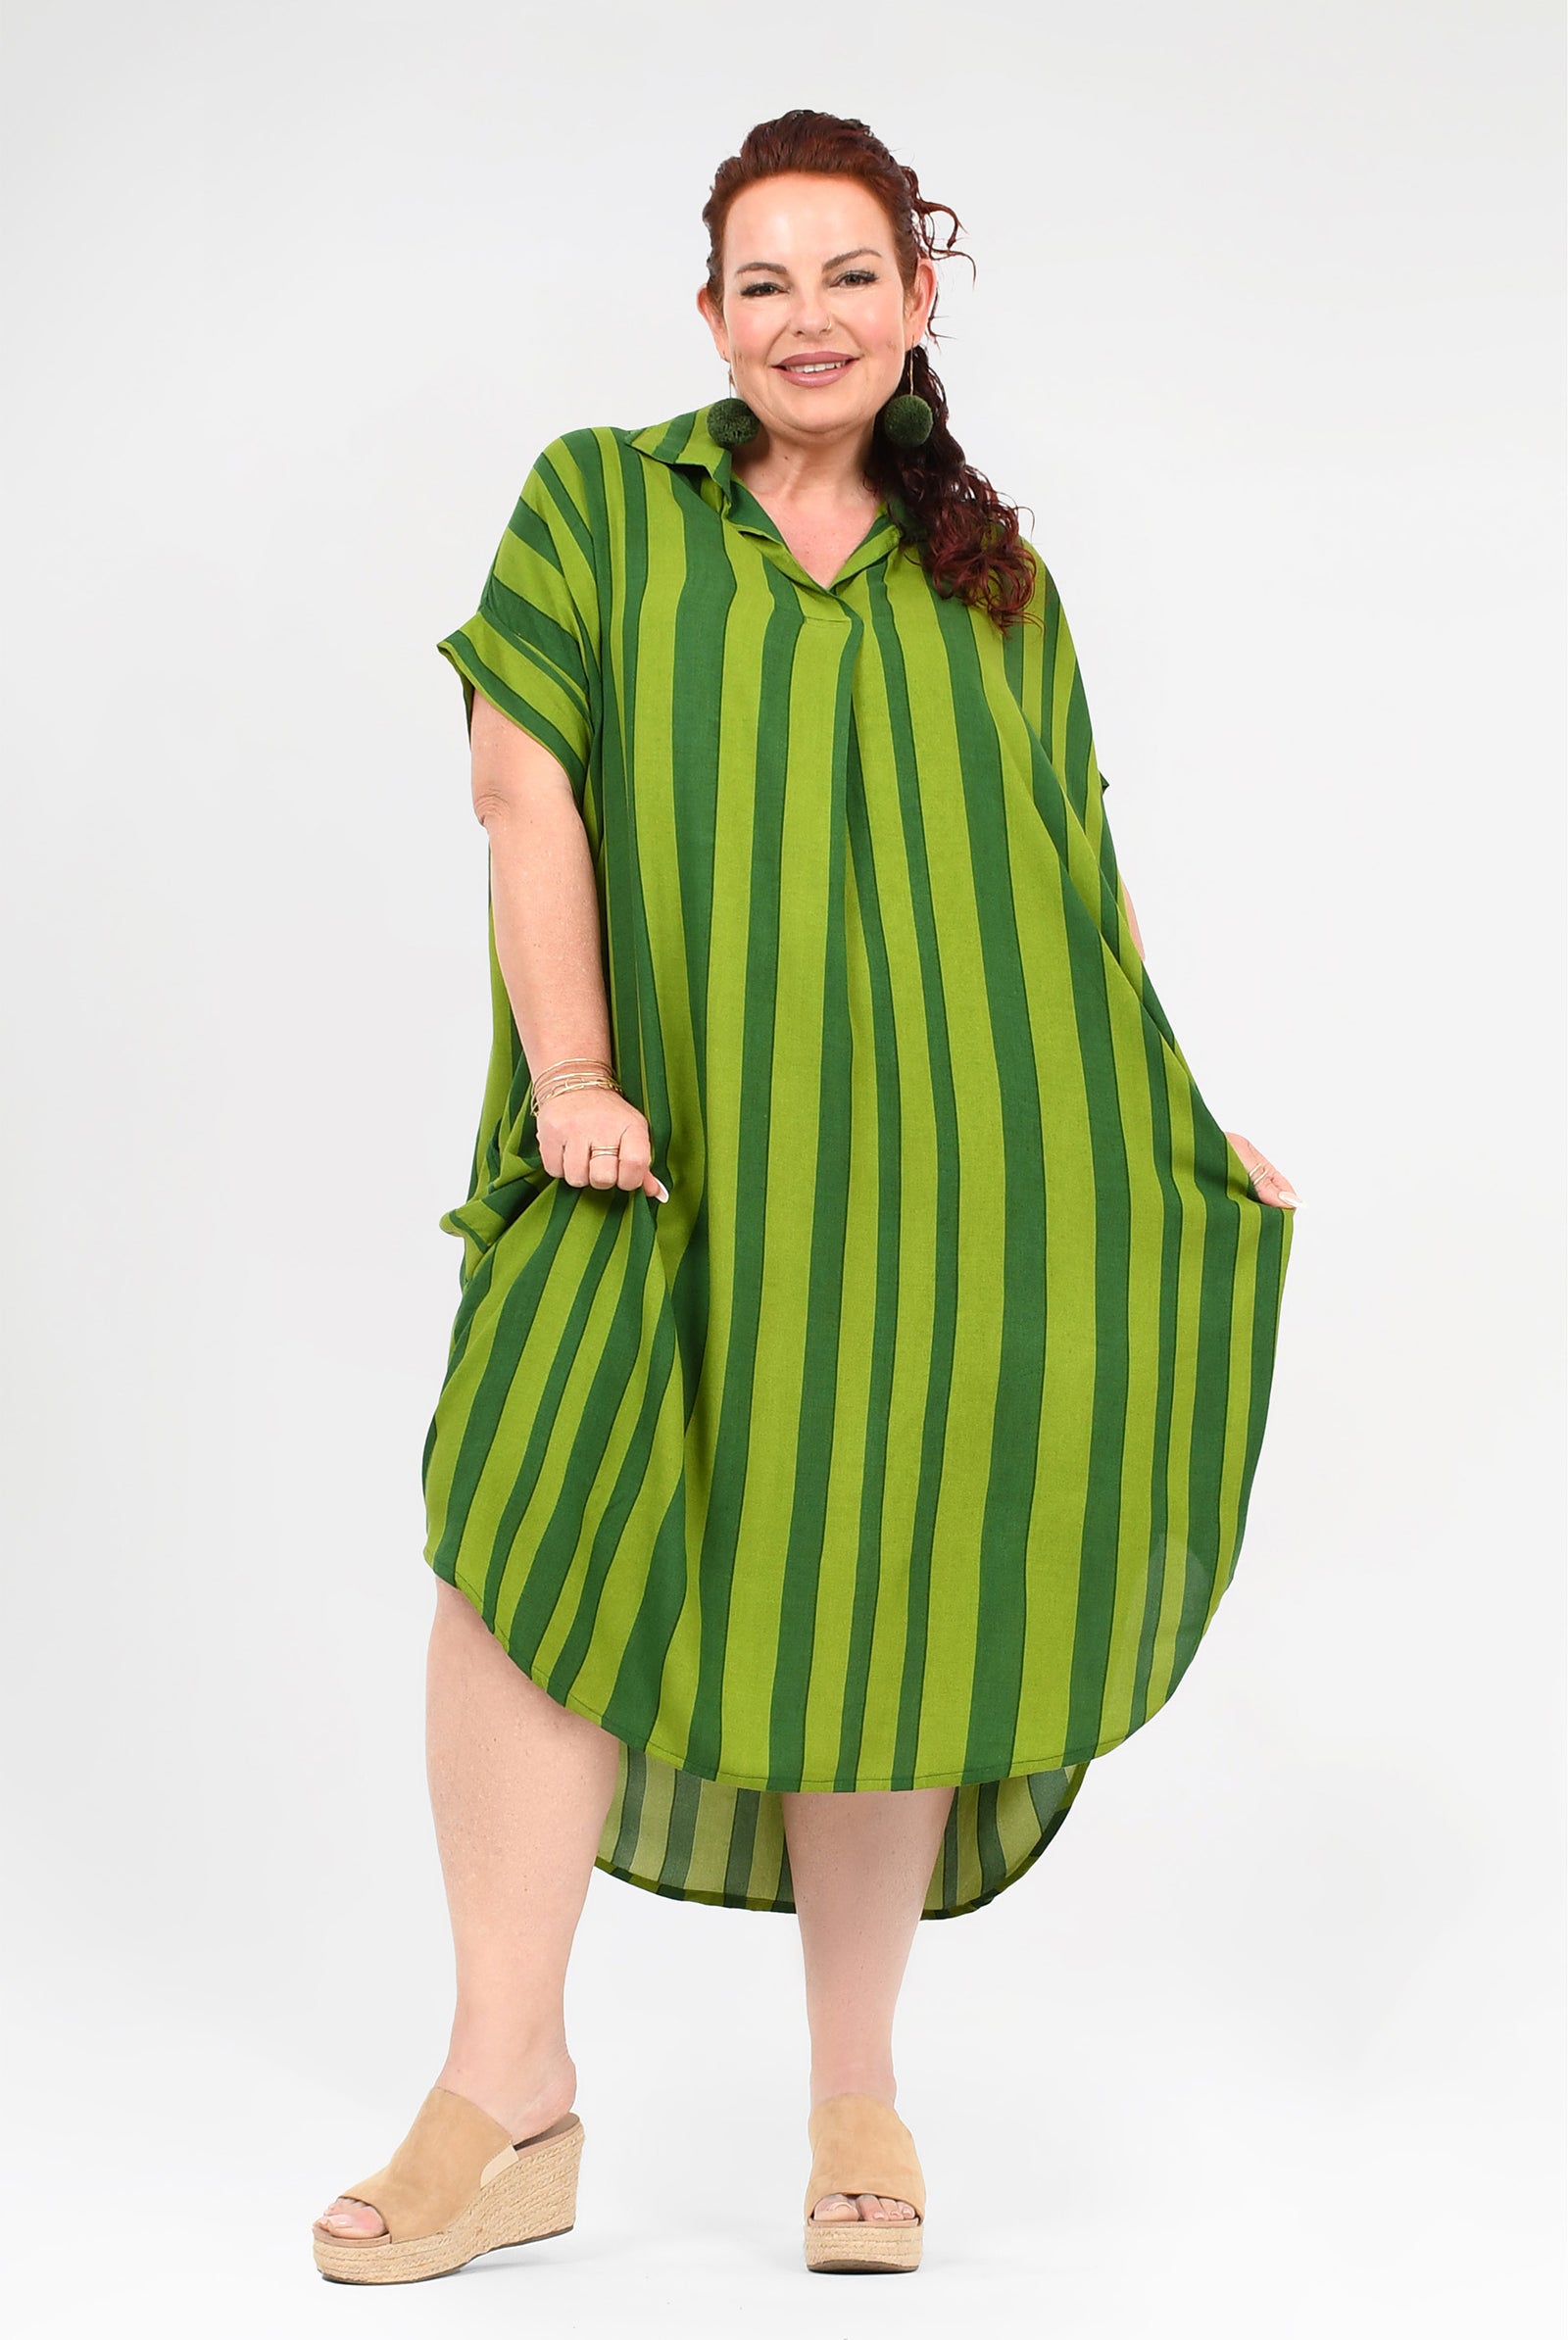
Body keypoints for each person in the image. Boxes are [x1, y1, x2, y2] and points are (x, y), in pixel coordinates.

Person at [312, 107, 1298, 2285]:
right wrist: (572, 1074)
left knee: (882, 1582)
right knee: (523, 1537)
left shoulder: (994, 588)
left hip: (935, 1171)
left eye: (849, 274)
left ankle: (858, 2094)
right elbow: (521, 788)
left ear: (918, 299)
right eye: (763, 281)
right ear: (709, 315)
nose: (808, 317)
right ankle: (503, 2085)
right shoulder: (601, 504)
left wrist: (1169, 1115)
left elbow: (1072, 882)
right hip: (644, 1147)